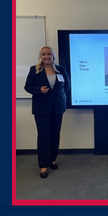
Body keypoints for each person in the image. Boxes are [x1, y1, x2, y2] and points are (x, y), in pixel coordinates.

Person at [24, 46, 70, 179]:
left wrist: (58, 97)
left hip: (57, 108)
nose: (46, 56)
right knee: (44, 136)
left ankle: (52, 160)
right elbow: (27, 86)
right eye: (43, 54)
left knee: (55, 135)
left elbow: (67, 86)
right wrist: (39, 90)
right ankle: (43, 165)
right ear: (41, 56)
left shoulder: (60, 69)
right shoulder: (35, 70)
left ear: (53, 55)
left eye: (49, 54)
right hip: (41, 109)